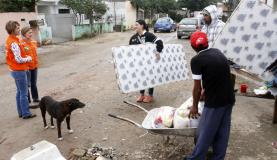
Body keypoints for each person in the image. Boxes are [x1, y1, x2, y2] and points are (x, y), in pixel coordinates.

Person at [184, 31, 235, 160]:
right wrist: (205, 91)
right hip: (229, 98)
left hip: (215, 102)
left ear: (193, 46)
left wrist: (194, 106)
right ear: (207, 43)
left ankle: (196, 158)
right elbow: (217, 75)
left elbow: (197, 87)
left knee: (205, 132)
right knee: (223, 131)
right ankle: (218, 157)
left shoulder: (196, 60)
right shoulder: (218, 52)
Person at [5, 21, 36, 119]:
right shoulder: (13, 42)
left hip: (15, 70)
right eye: (17, 28)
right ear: (12, 30)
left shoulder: (12, 40)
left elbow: (16, 56)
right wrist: (28, 58)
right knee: (23, 93)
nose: (19, 29)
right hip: (19, 70)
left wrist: (25, 55)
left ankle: (21, 112)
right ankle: (26, 113)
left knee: (19, 92)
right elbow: (18, 59)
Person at [129, 19, 164, 103]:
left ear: (142, 26)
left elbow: (159, 42)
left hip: (149, 62)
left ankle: (150, 95)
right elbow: (129, 50)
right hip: (138, 62)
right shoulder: (134, 38)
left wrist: (158, 51)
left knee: (150, 77)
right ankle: (142, 94)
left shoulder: (149, 35)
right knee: (141, 77)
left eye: (136, 25)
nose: (135, 26)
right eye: (135, 25)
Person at [20, 26, 40, 103]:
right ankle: (27, 100)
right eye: (29, 33)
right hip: (26, 68)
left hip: (34, 66)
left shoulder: (33, 42)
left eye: (31, 32)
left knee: (33, 83)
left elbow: (35, 55)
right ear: (24, 33)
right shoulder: (21, 43)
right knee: (26, 85)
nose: (31, 34)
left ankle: (35, 98)